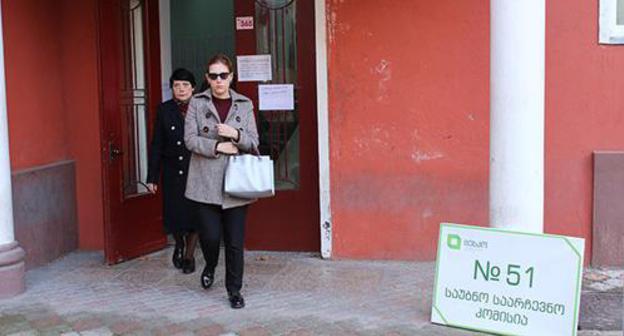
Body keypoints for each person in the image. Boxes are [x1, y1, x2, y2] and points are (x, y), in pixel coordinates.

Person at [184, 53, 259, 309]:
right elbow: (190, 140)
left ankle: (234, 291)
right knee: (211, 237)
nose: (218, 81)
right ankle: (211, 264)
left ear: (231, 77)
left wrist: (236, 134)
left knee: (235, 243)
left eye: (223, 75)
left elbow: (254, 142)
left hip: (236, 184)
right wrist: (218, 147)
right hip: (204, 182)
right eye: (213, 76)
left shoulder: (245, 104)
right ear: (207, 78)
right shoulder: (197, 102)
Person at [146, 68, 199, 274]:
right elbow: (157, 144)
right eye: (177, 85)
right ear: (172, 88)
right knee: (175, 214)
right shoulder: (164, 110)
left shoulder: (201, 108)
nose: (181, 89)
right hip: (172, 171)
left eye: (186, 85)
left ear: (193, 88)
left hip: (196, 170)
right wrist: (152, 176)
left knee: (196, 215)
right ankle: (179, 244)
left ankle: (189, 255)